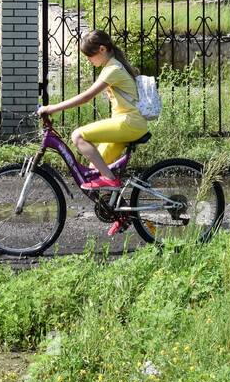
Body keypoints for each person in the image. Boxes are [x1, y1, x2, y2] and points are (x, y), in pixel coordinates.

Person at [36, 30, 148, 234]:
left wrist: (51, 108)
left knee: (78, 135)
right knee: (93, 171)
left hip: (130, 123)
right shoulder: (111, 66)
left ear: (102, 49)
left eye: (90, 55)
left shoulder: (112, 69)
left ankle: (111, 180)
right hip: (126, 122)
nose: (88, 60)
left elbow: (86, 98)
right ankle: (120, 213)